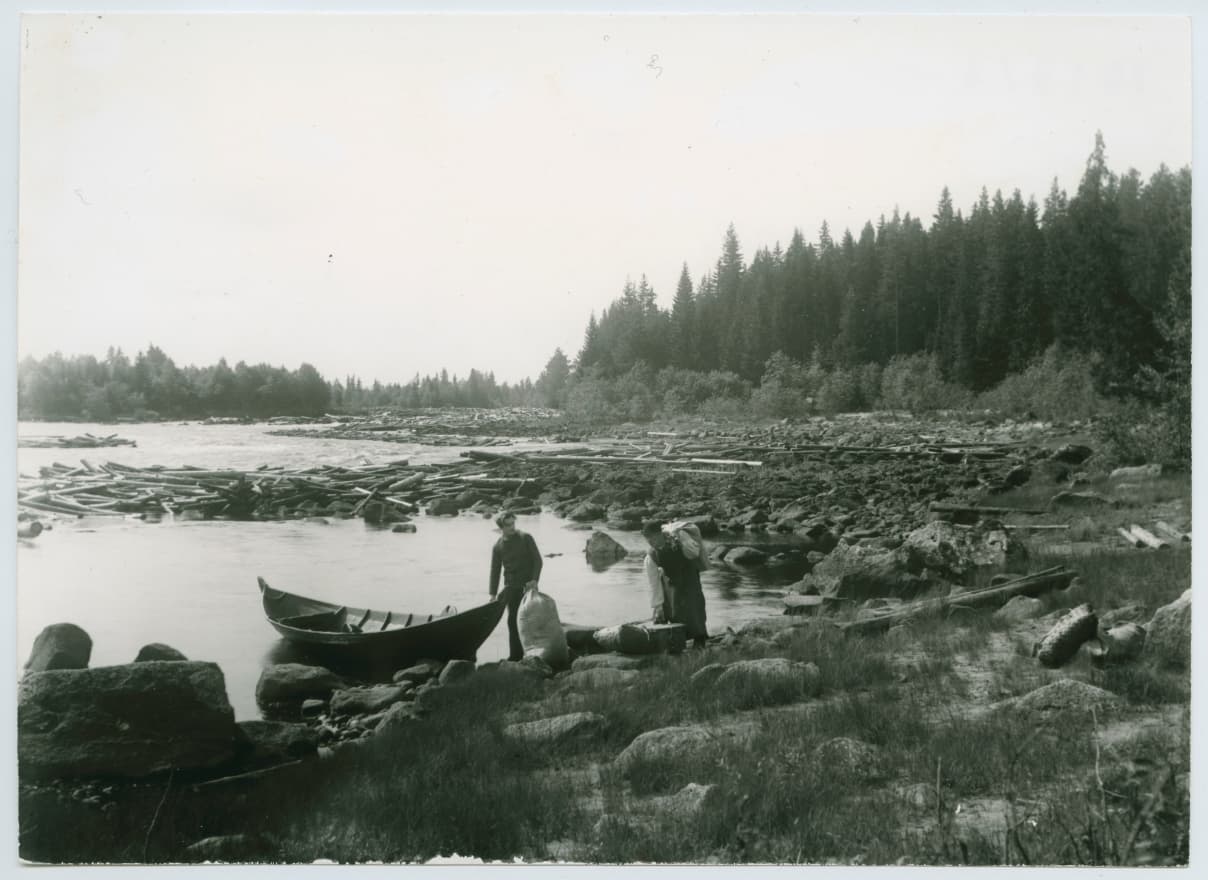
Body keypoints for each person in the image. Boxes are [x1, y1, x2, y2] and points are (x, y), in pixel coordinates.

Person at [642, 520, 708, 649]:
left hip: (689, 578)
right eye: (648, 540)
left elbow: (693, 553)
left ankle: (699, 640)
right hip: (670, 582)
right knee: (673, 610)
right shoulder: (651, 556)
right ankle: (677, 640)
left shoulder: (679, 538)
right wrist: (657, 605)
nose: (651, 542)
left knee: (694, 608)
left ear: (660, 534)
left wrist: (683, 540)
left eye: (654, 538)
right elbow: (653, 583)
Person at [488, 512, 543, 661]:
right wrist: (492, 594)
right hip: (511, 587)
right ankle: (515, 656)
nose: (512, 527)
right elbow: (495, 570)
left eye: (513, 523)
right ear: (501, 527)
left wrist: (534, 580)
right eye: (508, 525)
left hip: (528, 586)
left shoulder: (526, 538)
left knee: (530, 620)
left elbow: (538, 561)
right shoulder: (497, 546)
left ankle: (534, 653)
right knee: (512, 621)